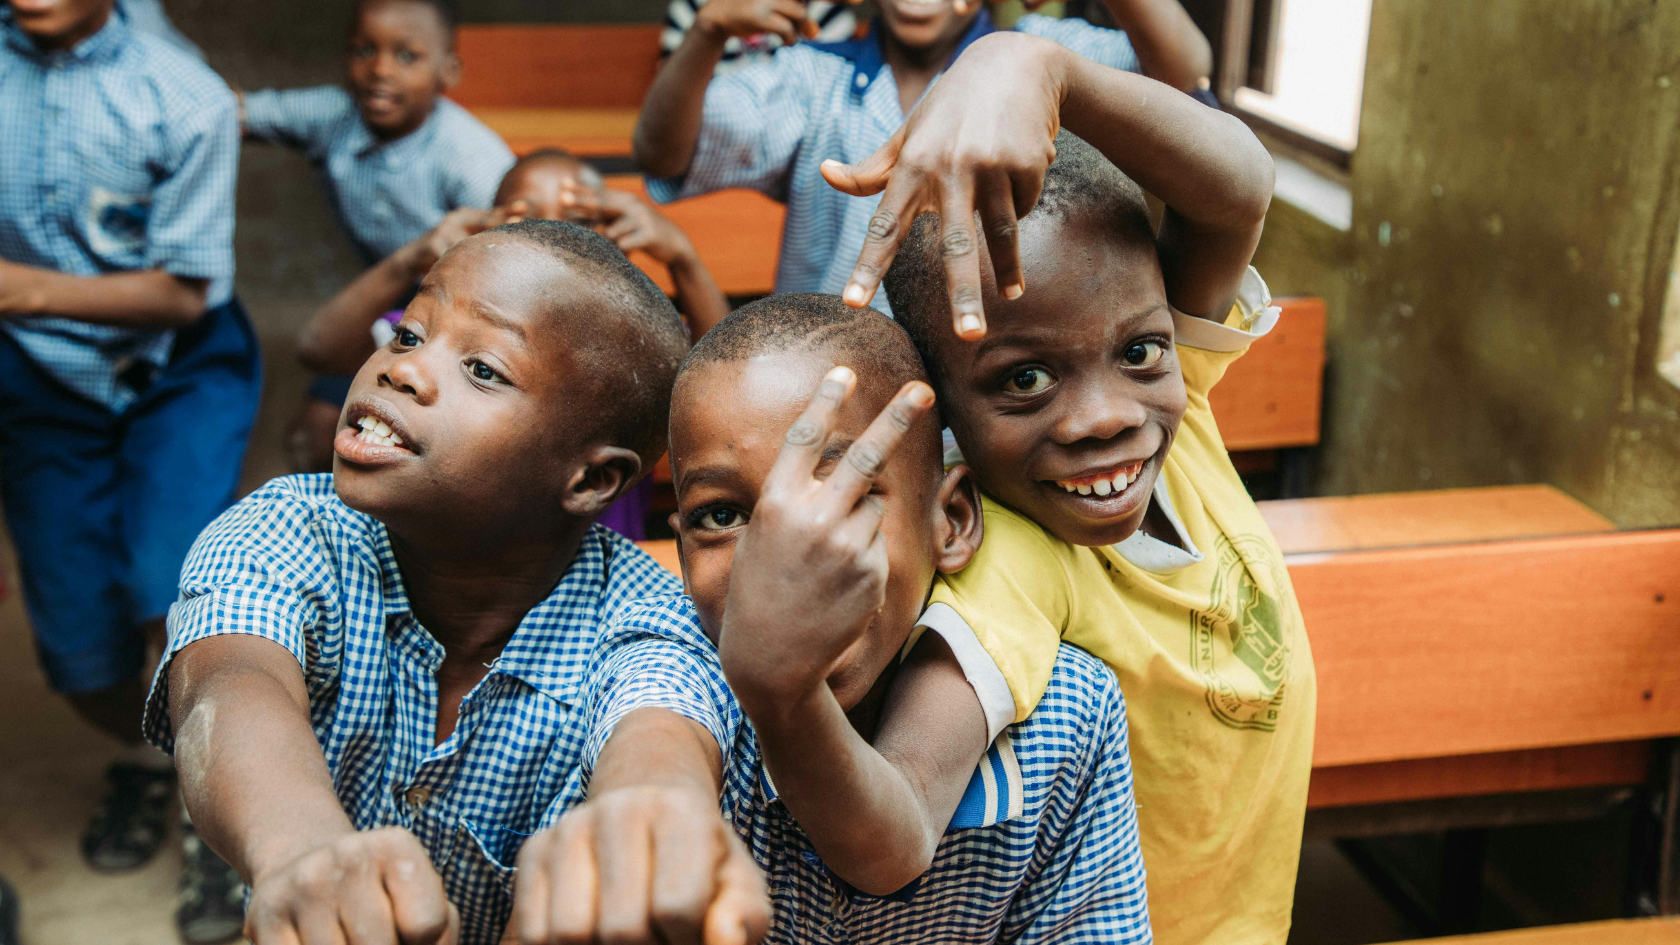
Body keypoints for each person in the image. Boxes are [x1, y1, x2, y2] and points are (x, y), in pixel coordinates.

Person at [811, 30, 1310, 944]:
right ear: (943, 417)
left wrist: (1043, 69)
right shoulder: (1016, 560)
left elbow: (1239, 188)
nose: (1101, 417)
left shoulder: (1181, 418)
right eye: (1024, 379)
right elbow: (898, 826)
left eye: (1139, 351)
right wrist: (778, 688)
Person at [507, 295, 1152, 945]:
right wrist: (646, 807)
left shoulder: (1068, 713)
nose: (782, 554)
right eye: (722, 515)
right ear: (680, 548)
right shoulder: (672, 646)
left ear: (949, 521)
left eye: (842, 492)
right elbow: (654, 736)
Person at [144, 220, 695, 945]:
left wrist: (644, 826)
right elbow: (231, 685)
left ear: (592, 479)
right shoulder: (290, 526)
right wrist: (303, 852)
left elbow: (660, 736)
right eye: (409, 333)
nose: (398, 369)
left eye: (484, 368)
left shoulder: (647, 620)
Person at [0, 0, 258, 941]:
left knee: (178, 594)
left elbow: (185, 292)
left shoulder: (179, 96)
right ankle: (159, 763)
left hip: (176, 368)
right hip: (36, 372)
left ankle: (221, 816)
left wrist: (19, 288)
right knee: (78, 646)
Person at [634, 0, 1209, 316]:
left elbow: (1181, 72)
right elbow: (662, 154)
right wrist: (707, 29)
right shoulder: (813, 74)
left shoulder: (1040, 53)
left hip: (986, 372)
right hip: (828, 367)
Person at [285, 149, 731, 539]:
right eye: (523, 216)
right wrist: (412, 258)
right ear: (486, 229)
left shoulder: (629, 357)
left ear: (617, 243)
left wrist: (682, 257)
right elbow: (320, 350)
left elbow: (725, 404)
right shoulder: (441, 331)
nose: (551, 230)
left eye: (576, 223)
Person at [661, 0, 858, 75]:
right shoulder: (692, 10)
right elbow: (664, 119)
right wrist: (707, 29)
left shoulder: (828, 15)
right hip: (712, 153)